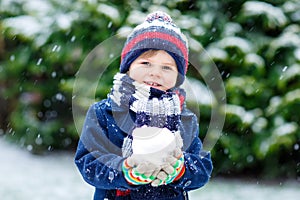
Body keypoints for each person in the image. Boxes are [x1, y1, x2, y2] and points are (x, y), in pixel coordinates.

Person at [75, 11, 213, 200]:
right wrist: (126, 170)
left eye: (166, 67)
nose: (155, 73)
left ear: (178, 77)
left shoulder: (185, 119)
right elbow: (88, 162)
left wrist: (180, 169)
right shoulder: (104, 113)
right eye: (146, 63)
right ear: (128, 67)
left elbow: (202, 167)